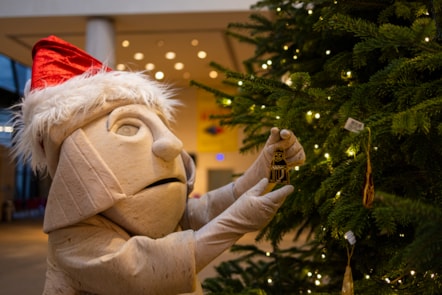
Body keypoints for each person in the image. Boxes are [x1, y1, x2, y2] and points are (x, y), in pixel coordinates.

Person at [12, 35, 305, 295]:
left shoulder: (149, 211)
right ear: (77, 159)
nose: (173, 144)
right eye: (128, 128)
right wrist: (236, 222)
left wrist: (261, 170)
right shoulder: (72, 240)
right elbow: (143, 272)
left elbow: (196, 213)